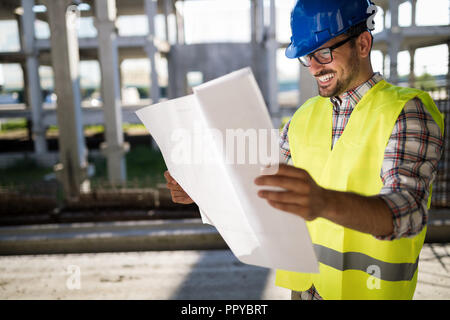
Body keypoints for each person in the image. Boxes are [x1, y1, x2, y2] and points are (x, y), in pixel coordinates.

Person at [165, 0, 444, 300]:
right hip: (305, 292)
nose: (314, 66)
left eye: (324, 52)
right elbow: (262, 192)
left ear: (362, 44)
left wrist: (324, 202)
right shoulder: (303, 117)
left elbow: (408, 211)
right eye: (307, 56)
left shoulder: (405, 110)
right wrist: (202, 191)